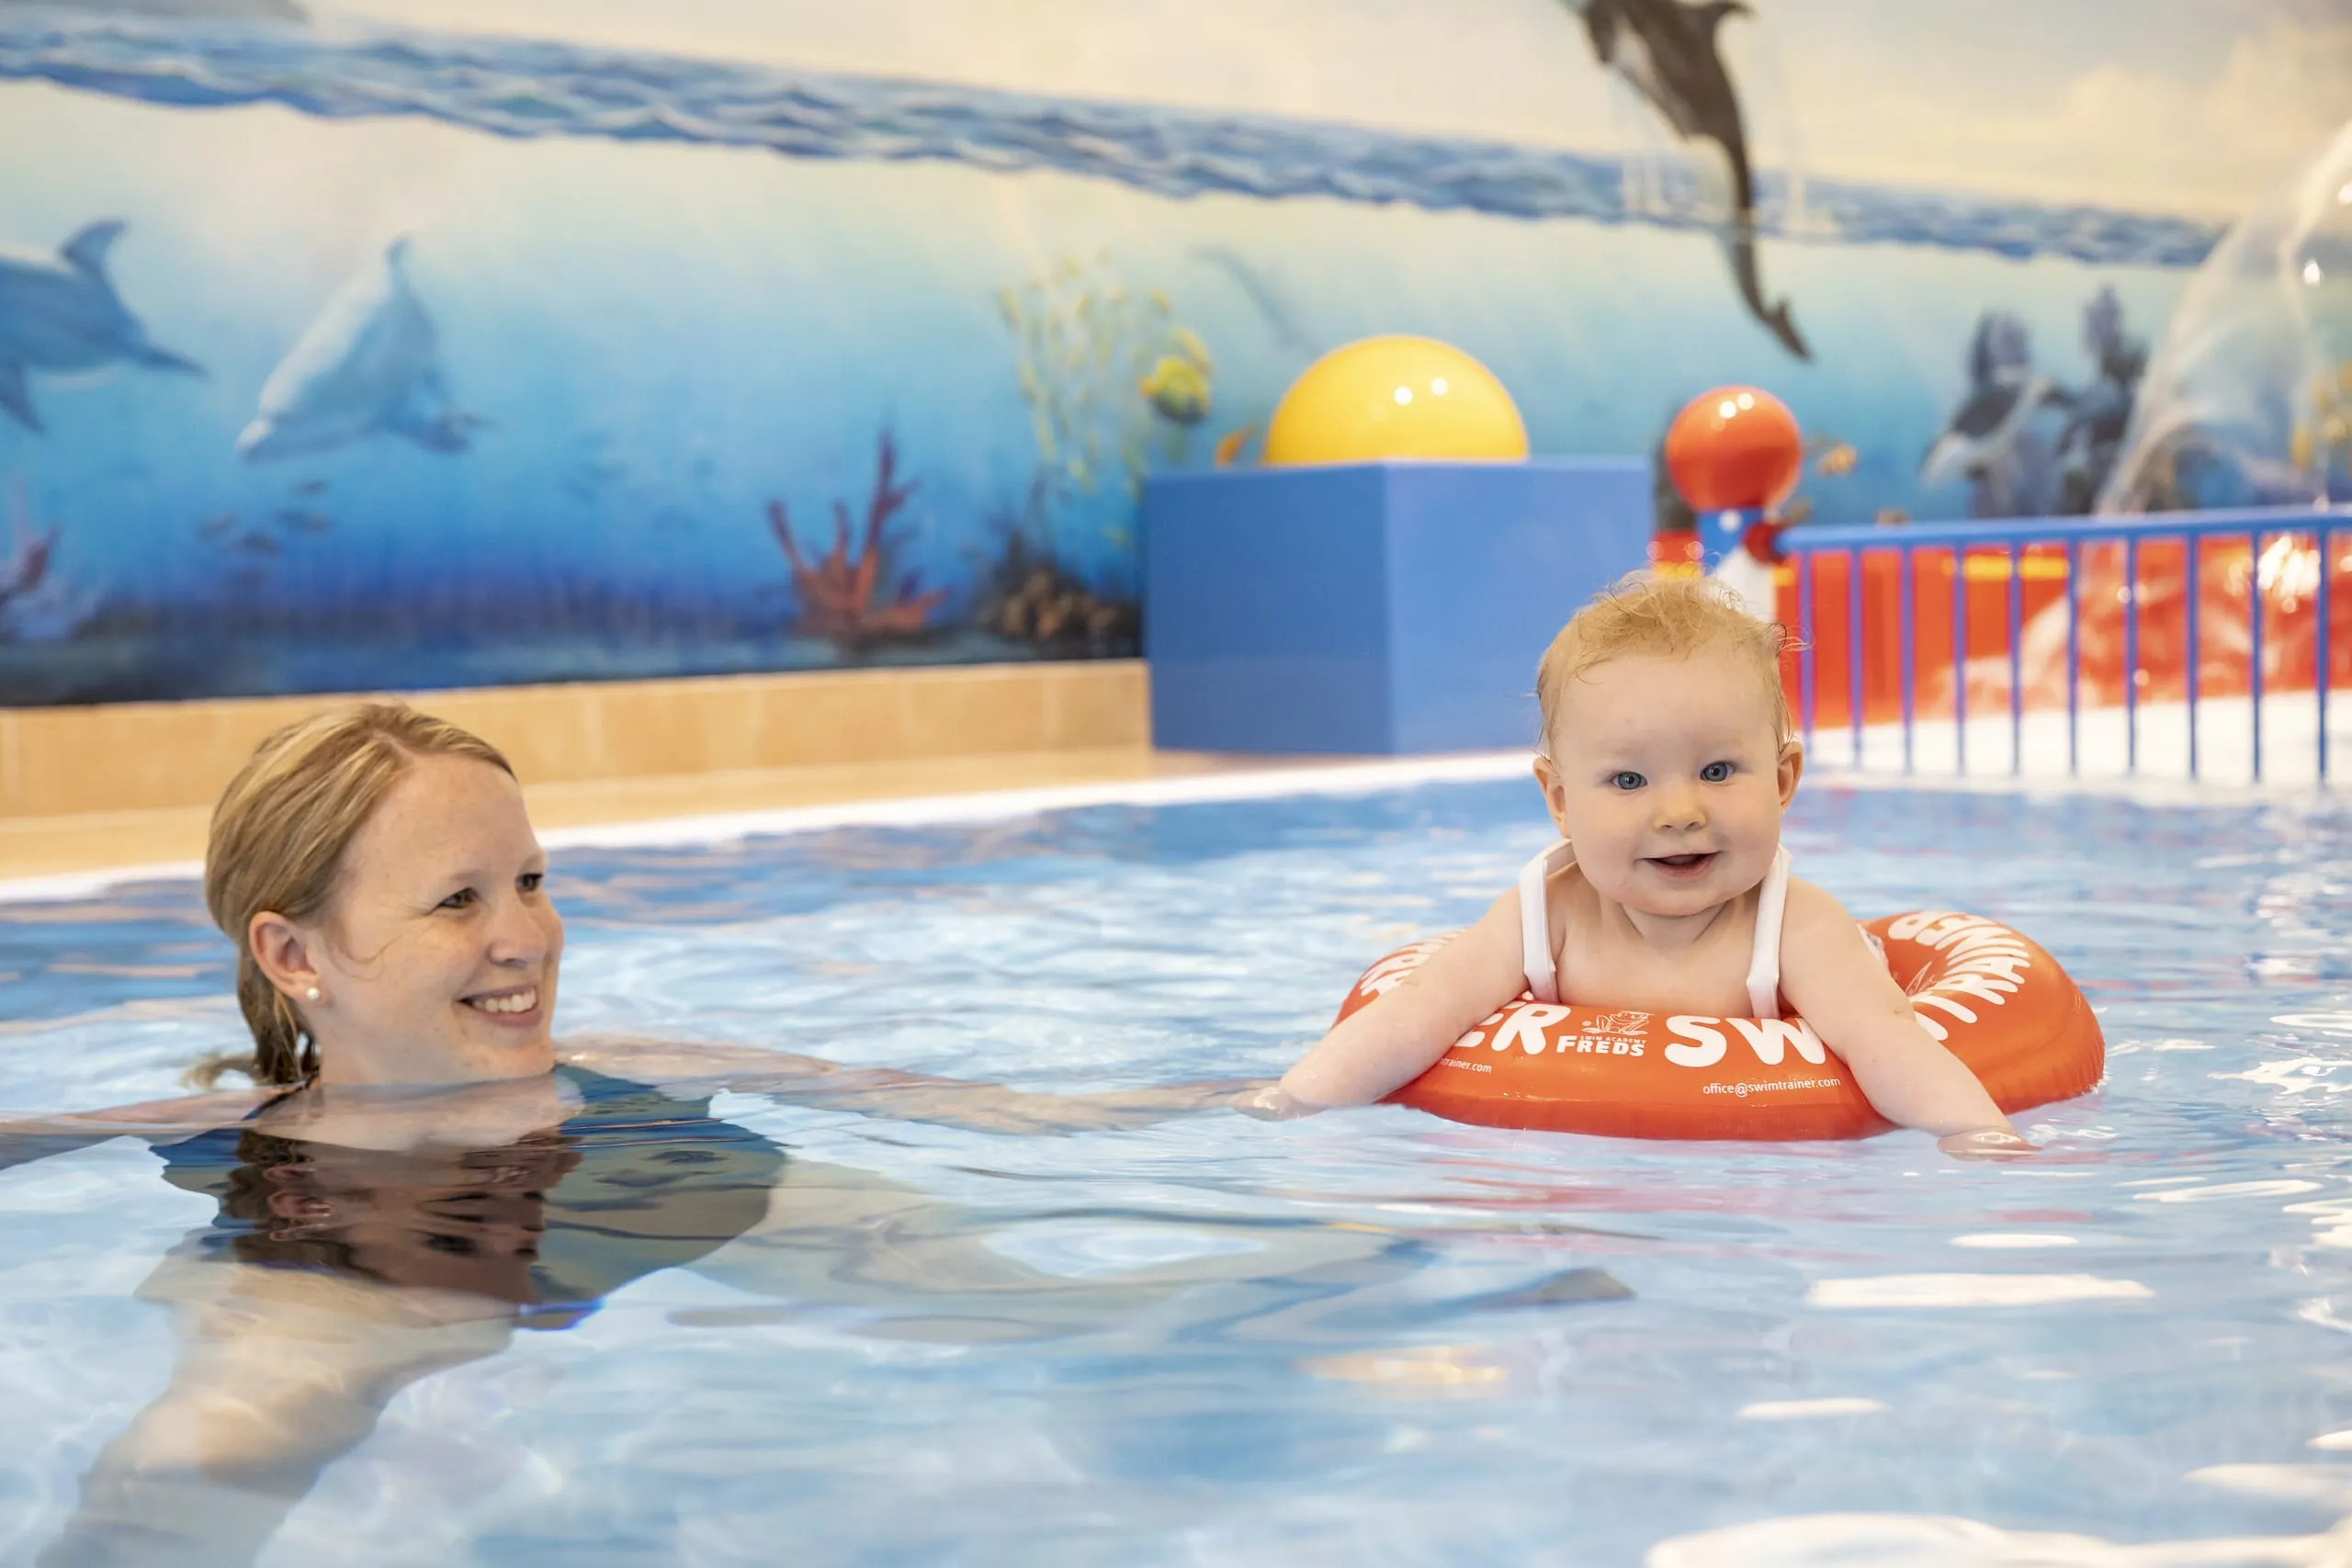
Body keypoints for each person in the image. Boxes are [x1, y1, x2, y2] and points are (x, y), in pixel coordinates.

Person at [1, 703, 1274, 1567]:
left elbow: (983, 1111)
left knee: (1032, 1302)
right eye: (458, 899)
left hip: (632, 1178)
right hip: (362, 1238)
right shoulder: (250, 1135)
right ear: (294, 952)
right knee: (192, 1462)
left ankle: (1307, 1285)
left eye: (534, 881)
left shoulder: (640, 1078)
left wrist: (1264, 1100)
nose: (526, 936)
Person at [1239, 575, 2037, 1160]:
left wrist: (1979, 1136)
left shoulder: (1796, 928)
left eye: (1719, 772)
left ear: (1784, 780)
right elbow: (1420, 1010)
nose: (1679, 811)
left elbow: (1888, 1040)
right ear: (1559, 799)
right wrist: (1293, 1100)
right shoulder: (1545, 911)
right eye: (1628, 781)